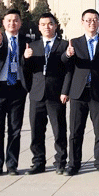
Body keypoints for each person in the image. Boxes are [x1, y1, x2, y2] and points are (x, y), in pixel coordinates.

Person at [62, 9, 99, 176]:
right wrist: (67, 55)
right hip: (78, 93)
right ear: (82, 22)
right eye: (88, 20)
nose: (92, 23)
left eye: (95, 20)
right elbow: (68, 68)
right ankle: (73, 164)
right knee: (75, 131)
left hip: (98, 93)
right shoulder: (74, 42)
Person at [23, 13, 71, 175]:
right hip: (37, 94)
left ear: (55, 26)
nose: (46, 27)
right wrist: (25, 58)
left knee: (59, 130)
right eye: (43, 24)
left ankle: (60, 162)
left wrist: (65, 91)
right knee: (36, 131)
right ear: (39, 27)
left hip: (56, 94)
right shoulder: (32, 46)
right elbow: (26, 71)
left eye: (50, 24)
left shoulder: (64, 45)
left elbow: (69, 71)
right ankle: (38, 162)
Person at [0, 8, 28, 176]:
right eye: (9, 20)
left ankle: (12, 165)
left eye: (15, 20)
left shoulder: (26, 40)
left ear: (20, 23)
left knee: (15, 130)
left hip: (17, 88)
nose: (12, 23)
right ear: (3, 22)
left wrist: (28, 57)